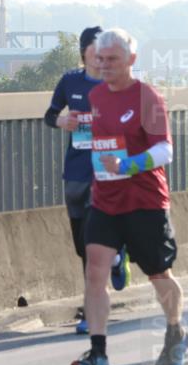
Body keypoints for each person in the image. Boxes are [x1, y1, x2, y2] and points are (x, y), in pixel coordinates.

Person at [69, 28, 188, 365]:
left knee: (158, 274)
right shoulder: (94, 96)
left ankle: (175, 331)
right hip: (106, 199)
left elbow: (165, 149)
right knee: (95, 271)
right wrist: (67, 122)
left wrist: (128, 165)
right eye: (100, 59)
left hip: (145, 201)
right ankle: (98, 354)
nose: (104, 65)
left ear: (131, 60)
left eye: (112, 60)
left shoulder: (147, 97)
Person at [45, 26, 130, 335]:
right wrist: (61, 120)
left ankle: (89, 312)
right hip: (76, 173)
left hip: (107, 173)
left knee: (96, 244)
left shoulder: (119, 84)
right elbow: (49, 114)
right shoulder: (71, 82)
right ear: (85, 53)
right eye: (98, 50)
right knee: (82, 245)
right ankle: (119, 257)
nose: (103, 57)